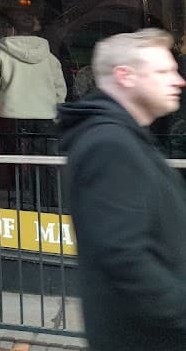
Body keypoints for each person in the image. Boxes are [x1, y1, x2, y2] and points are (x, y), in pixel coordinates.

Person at [57, 29, 186, 351]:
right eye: (163, 71)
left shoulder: (126, 138)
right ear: (125, 76)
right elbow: (122, 253)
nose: (178, 80)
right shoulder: (109, 145)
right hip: (146, 338)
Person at [0, 9, 67, 156]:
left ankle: (19, 180)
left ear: (11, 29)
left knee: (12, 159)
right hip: (44, 115)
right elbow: (60, 89)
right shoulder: (49, 56)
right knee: (43, 161)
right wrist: (57, 108)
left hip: (9, 115)